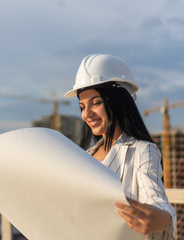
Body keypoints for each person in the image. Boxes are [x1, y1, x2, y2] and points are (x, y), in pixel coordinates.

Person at [64, 54, 176, 239]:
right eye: (82, 106)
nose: (87, 114)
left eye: (96, 103)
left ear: (119, 101)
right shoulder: (85, 156)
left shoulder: (141, 151)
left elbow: (156, 200)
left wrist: (161, 218)